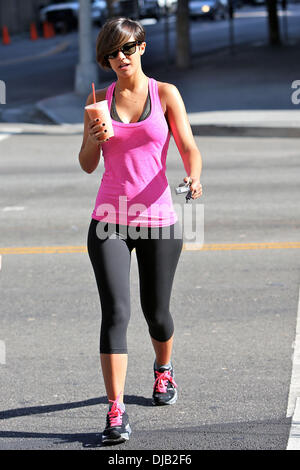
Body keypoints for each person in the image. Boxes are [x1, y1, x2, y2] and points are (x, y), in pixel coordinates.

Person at [78, 17, 203, 446]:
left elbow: (187, 145)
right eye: (112, 53)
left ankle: (163, 369)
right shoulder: (98, 100)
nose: (120, 58)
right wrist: (95, 137)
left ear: (142, 47)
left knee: (157, 313)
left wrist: (194, 176)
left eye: (127, 48)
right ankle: (115, 409)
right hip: (108, 220)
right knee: (115, 313)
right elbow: (87, 164)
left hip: (158, 221)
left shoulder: (164, 93)